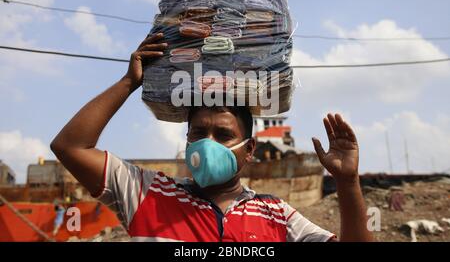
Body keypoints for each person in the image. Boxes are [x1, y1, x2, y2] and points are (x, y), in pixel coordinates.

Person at [50, 33, 373, 242]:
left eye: (223, 134)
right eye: (198, 132)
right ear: (187, 139)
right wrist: (127, 83)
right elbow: (69, 146)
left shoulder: (277, 215)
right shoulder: (147, 193)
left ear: (249, 150)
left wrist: (347, 183)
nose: (208, 143)